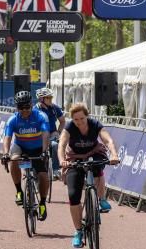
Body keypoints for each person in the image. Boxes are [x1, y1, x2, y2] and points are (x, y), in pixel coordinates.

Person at [58, 103, 120, 248]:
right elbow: (61, 144)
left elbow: (107, 140)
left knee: (98, 166)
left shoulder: (95, 124)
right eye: (76, 119)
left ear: (87, 116)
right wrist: (62, 161)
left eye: (82, 118)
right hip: (75, 158)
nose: (79, 122)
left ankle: (101, 198)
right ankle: (78, 232)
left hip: (94, 154)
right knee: (73, 195)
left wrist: (114, 154)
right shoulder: (69, 127)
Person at [1, 91, 51, 221]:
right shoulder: (13, 120)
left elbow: (46, 134)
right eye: (20, 108)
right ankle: (19, 191)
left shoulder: (41, 116)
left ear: (32, 105)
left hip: (38, 148)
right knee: (14, 159)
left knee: (43, 176)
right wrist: (5, 154)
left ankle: (42, 203)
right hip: (21, 148)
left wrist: (45, 151)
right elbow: (7, 138)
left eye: (27, 107)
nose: (24, 111)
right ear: (17, 108)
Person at [35, 87, 66, 180]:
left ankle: (56, 170)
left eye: (51, 97)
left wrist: (58, 132)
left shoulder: (54, 108)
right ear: (41, 99)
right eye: (48, 98)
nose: (50, 99)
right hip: (39, 135)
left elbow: (63, 121)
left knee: (55, 145)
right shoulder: (35, 110)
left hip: (52, 134)